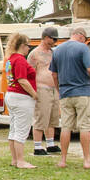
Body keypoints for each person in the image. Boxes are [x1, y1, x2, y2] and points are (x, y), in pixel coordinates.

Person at [49, 27, 90, 170]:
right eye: (85, 39)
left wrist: (59, 90)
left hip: (65, 93)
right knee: (85, 126)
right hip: (82, 92)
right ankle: (87, 160)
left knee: (66, 127)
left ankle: (63, 160)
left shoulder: (58, 50)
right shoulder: (82, 48)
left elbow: (54, 74)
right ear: (81, 36)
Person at [4, 33, 38, 169]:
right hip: (21, 98)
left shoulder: (10, 59)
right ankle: (21, 160)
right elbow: (22, 80)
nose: (29, 49)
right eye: (28, 46)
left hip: (11, 95)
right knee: (22, 130)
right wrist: (34, 94)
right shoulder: (20, 60)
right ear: (22, 46)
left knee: (14, 128)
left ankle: (15, 159)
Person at [28, 27, 62, 156]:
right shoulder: (35, 53)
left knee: (52, 118)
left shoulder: (53, 52)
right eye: (53, 39)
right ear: (46, 37)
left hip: (54, 89)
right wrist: (33, 91)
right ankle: (37, 146)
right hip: (41, 89)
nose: (54, 42)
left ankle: (50, 143)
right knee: (41, 117)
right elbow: (30, 73)